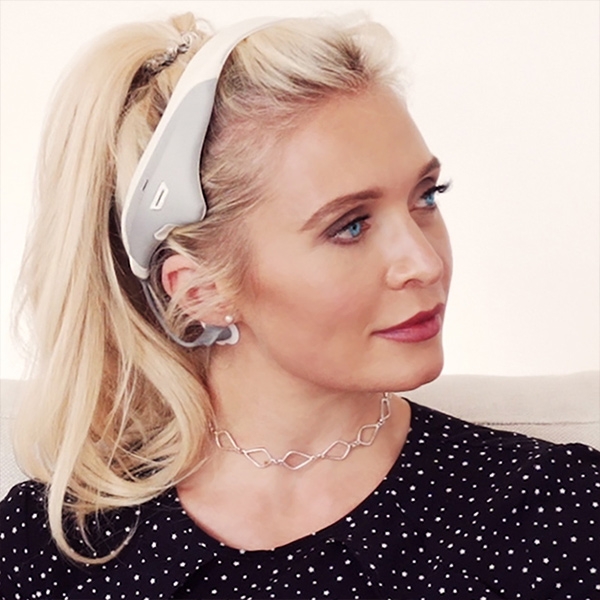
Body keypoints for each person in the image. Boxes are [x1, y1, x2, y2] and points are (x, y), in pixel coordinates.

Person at [0, 11, 598, 600]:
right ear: (200, 291)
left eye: (426, 196)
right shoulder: (55, 548)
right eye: (351, 226)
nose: (425, 262)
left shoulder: (557, 511)